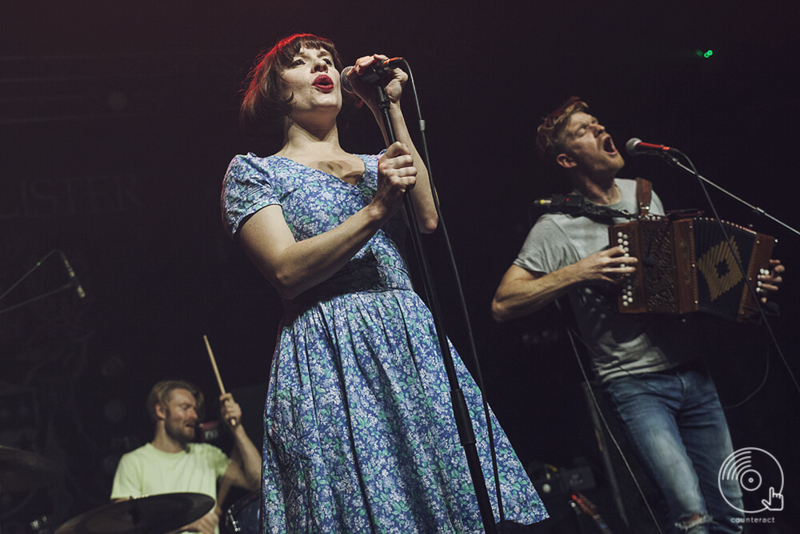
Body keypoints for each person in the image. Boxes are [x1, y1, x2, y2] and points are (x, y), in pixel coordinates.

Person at [221, 33, 547, 533]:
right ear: (274, 90)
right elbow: (286, 271)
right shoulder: (255, 173)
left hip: (406, 334)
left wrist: (386, 106)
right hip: (330, 346)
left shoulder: (379, 164)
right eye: (302, 63)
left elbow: (428, 218)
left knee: (441, 491)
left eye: (326, 59)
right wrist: (375, 210)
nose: (320, 66)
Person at [491, 97, 785, 533]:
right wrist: (579, 271)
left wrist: (746, 286)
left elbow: (687, 278)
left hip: (694, 371)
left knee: (734, 510)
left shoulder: (643, 194)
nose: (599, 129)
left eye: (597, 122)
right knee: (691, 513)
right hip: (635, 384)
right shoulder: (554, 227)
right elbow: (503, 304)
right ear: (567, 158)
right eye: (583, 129)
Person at [110, 380, 260, 534]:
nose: (194, 415)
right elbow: (124, 527)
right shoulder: (133, 462)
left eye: (195, 409)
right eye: (185, 408)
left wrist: (237, 428)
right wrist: (185, 523)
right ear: (161, 411)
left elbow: (258, 482)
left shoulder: (207, 454)